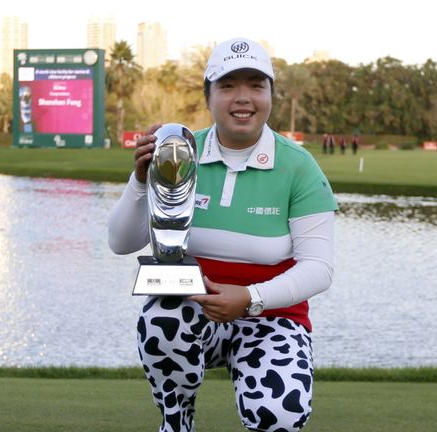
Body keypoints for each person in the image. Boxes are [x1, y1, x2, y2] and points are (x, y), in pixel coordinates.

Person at [108, 37, 337, 432]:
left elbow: (319, 268)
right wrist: (141, 180)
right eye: (228, 86)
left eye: (255, 84)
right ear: (209, 96)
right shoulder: (178, 151)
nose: (242, 97)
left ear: (271, 95)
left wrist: (250, 298)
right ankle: (176, 423)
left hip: (272, 317)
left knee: (279, 417)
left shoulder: (299, 166)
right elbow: (121, 242)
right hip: (193, 315)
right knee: (163, 316)